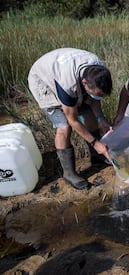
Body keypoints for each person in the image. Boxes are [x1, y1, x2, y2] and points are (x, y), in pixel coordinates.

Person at [28, 48, 112, 190]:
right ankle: (69, 173)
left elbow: (95, 99)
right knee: (64, 126)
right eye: (95, 93)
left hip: (64, 69)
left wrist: (101, 119)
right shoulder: (67, 85)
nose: (97, 96)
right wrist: (95, 143)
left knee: (88, 114)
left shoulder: (99, 71)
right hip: (43, 79)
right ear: (84, 83)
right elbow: (73, 120)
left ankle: (97, 157)